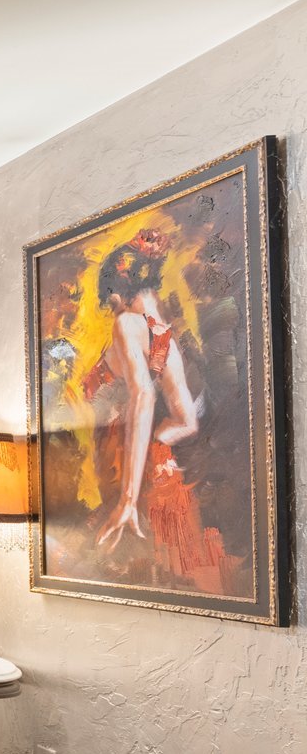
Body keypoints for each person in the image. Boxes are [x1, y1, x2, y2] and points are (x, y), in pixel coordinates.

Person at [87, 228, 222, 589]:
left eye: (110, 298)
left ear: (117, 291)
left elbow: (142, 396)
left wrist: (128, 496)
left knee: (136, 572)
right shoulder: (165, 336)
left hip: (124, 468)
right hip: (151, 468)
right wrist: (153, 447)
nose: (111, 305)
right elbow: (187, 421)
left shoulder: (126, 323)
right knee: (169, 569)